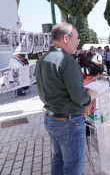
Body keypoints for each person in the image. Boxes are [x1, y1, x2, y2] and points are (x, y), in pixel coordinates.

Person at [35, 22, 97, 175]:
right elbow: (80, 98)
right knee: (73, 168)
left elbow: (57, 88)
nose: (78, 42)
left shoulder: (43, 59)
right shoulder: (67, 61)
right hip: (69, 123)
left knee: (59, 160)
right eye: (76, 38)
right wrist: (90, 95)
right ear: (65, 38)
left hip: (51, 118)